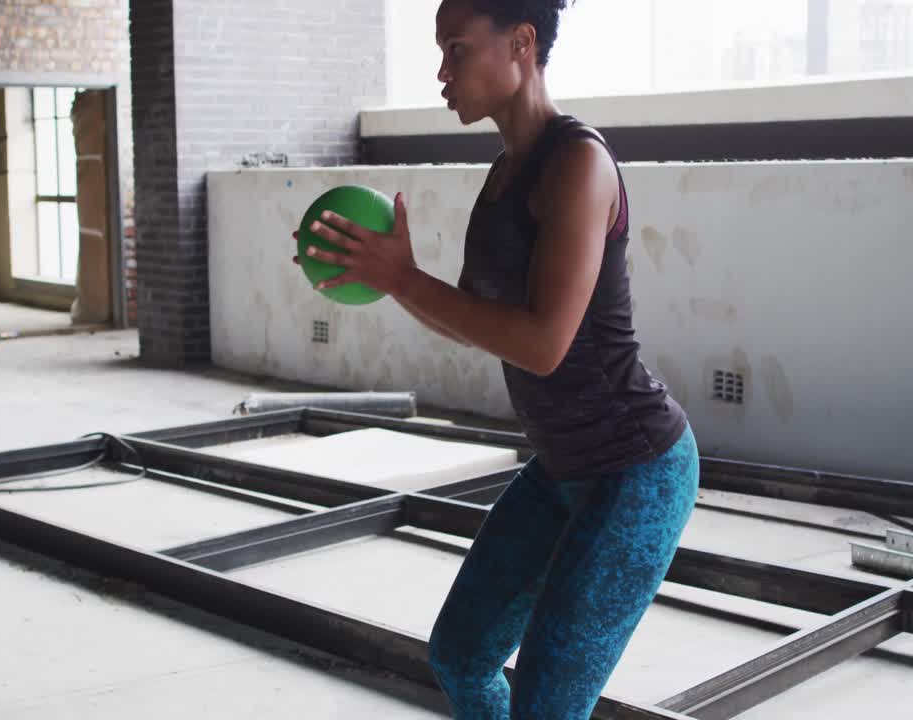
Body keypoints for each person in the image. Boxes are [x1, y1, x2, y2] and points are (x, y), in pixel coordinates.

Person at [293, 1, 698, 717]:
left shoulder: (578, 165)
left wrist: (403, 279)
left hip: (635, 471)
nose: (442, 73)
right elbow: (482, 323)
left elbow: (543, 345)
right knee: (462, 656)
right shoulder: (505, 174)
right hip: (561, 466)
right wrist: (395, 277)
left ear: (520, 43)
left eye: (456, 49)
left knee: (545, 704)